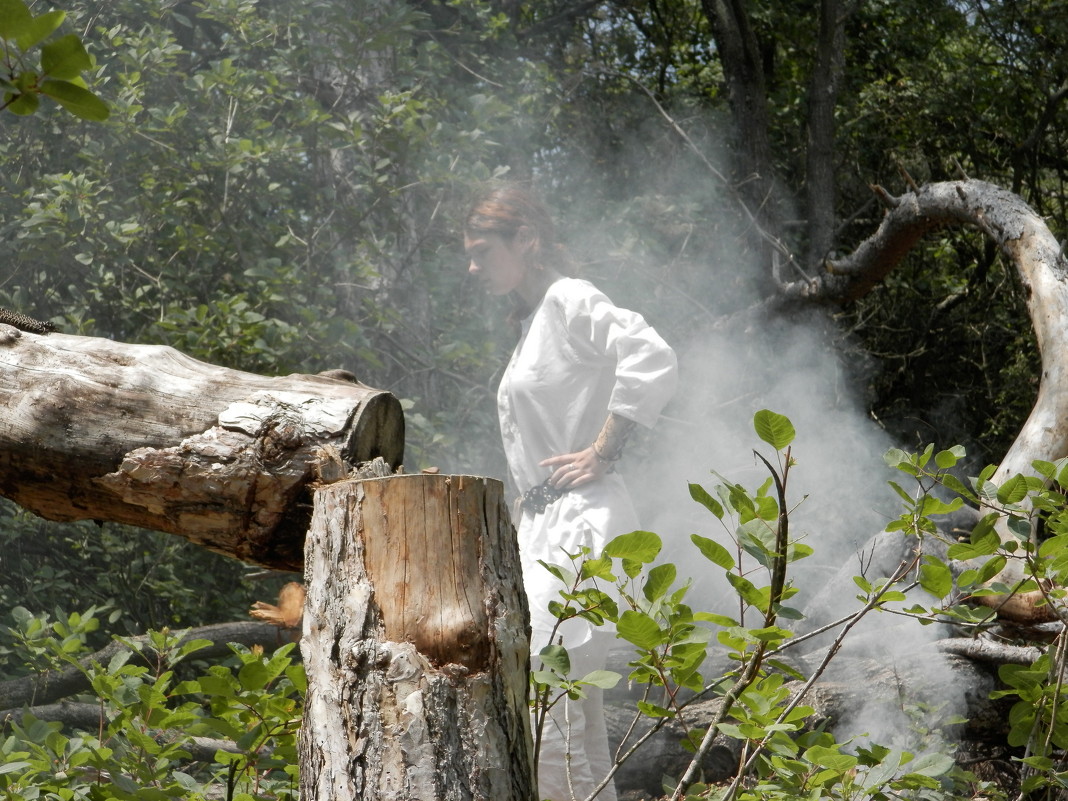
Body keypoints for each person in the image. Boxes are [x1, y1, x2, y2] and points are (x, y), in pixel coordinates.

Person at [464, 184, 678, 801]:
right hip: (544, 530)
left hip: (583, 524)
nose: (472, 267)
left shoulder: (567, 298)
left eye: (482, 251)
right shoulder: (534, 319)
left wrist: (604, 450)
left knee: (547, 699)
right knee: (566, 712)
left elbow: (650, 353)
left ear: (526, 240)